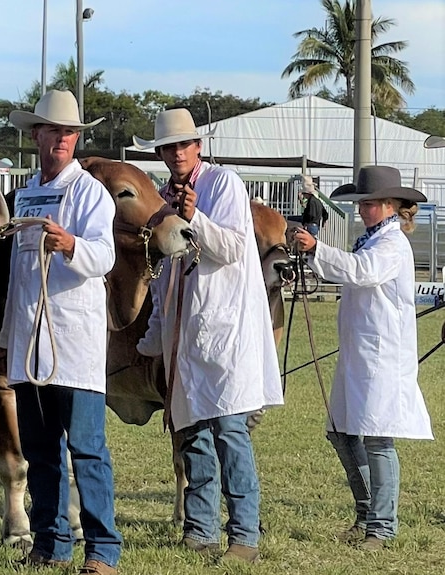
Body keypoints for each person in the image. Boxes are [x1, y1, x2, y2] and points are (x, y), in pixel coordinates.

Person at [132, 107, 284, 563]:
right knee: (191, 432)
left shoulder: (224, 184)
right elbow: (161, 278)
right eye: (168, 146)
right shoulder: (160, 198)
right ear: (160, 153)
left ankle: (245, 536)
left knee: (230, 433)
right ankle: (199, 531)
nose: (177, 152)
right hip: (185, 336)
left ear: (197, 147)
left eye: (184, 144)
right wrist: (155, 338)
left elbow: (236, 247)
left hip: (227, 330)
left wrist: (195, 219)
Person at [0, 89, 122, 575]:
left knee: (86, 449)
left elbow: (105, 256)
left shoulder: (90, 193)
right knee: (40, 451)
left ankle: (103, 550)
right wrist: (6, 341)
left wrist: (70, 245)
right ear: (36, 135)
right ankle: (49, 542)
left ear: (75, 138)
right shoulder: (23, 194)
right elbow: (17, 278)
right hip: (28, 344)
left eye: (69, 132)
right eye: (52, 130)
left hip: (75, 345)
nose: (61, 139)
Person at [293, 165, 433, 550]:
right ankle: (367, 512)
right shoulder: (372, 240)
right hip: (361, 354)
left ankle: (382, 527)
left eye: (368, 203)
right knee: (340, 430)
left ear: (390, 205)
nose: (362, 209)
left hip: (382, 357)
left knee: (377, 439)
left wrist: (318, 249)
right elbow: (352, 273)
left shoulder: (390, 245)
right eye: (361, 203)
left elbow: (361, 273)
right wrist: (314, 253)